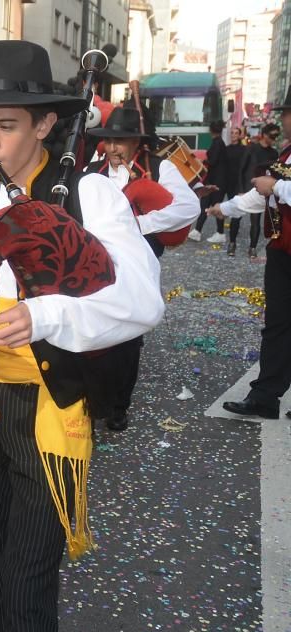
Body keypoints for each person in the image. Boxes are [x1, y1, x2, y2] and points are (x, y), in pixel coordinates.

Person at [0, 41, 164, 632]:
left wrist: (45, 315)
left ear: (46, 124)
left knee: (27, 579)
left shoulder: (91, 197)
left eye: (6, 125)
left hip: (51, 411)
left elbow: (140, 300)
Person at [84, 105, 200, 430]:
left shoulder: (160, 167)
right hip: (97, 261)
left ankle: (119, 404)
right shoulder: (91, 171)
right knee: (96, 330)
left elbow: (189, 207)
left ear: (137, 141)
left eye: (120, 140)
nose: (113, 148)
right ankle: (94, 401)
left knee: (128, 335)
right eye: (108, 140)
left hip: (138, 260)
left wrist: (139, 223)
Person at [208, 87, 291, 420]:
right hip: (283, 251)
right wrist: (225, 209)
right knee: (277, 325)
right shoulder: (287, 154)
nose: (282, 119)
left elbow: (275, 190)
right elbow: (262, 196)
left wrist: (278, 186)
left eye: (286, 113)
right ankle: (265, 397)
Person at [235, 122, 281, 258]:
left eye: (277, 136)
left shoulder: (274, 153)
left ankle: (252, 248)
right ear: (265, 135)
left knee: (256, 221)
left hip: (262, 191)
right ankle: (232, 243)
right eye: (273, 136)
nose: (275, 139)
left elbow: (275, 173)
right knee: (236, 216)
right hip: (247, 188)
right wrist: (241, 189)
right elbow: (241, 169)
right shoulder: (251, 148)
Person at [189, 120, 228, 243]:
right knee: (208, 205)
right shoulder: (219, 142)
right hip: (217, 180)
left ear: (210, 130)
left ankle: (218, 232)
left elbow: (213, 161)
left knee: (212, 206)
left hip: (215, 180)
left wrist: (202, 162)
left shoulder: (217, 143)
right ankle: (199, 231)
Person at [224, 126, 249, 256]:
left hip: (239, 185)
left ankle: (232, 243)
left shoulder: (244, 150)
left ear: (239, 135)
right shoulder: (226, 149)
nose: (233, 135)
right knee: (233, 209)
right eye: (232, 133)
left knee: (236, 212)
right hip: (228, 184)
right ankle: (229, 238)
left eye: (236, 133)